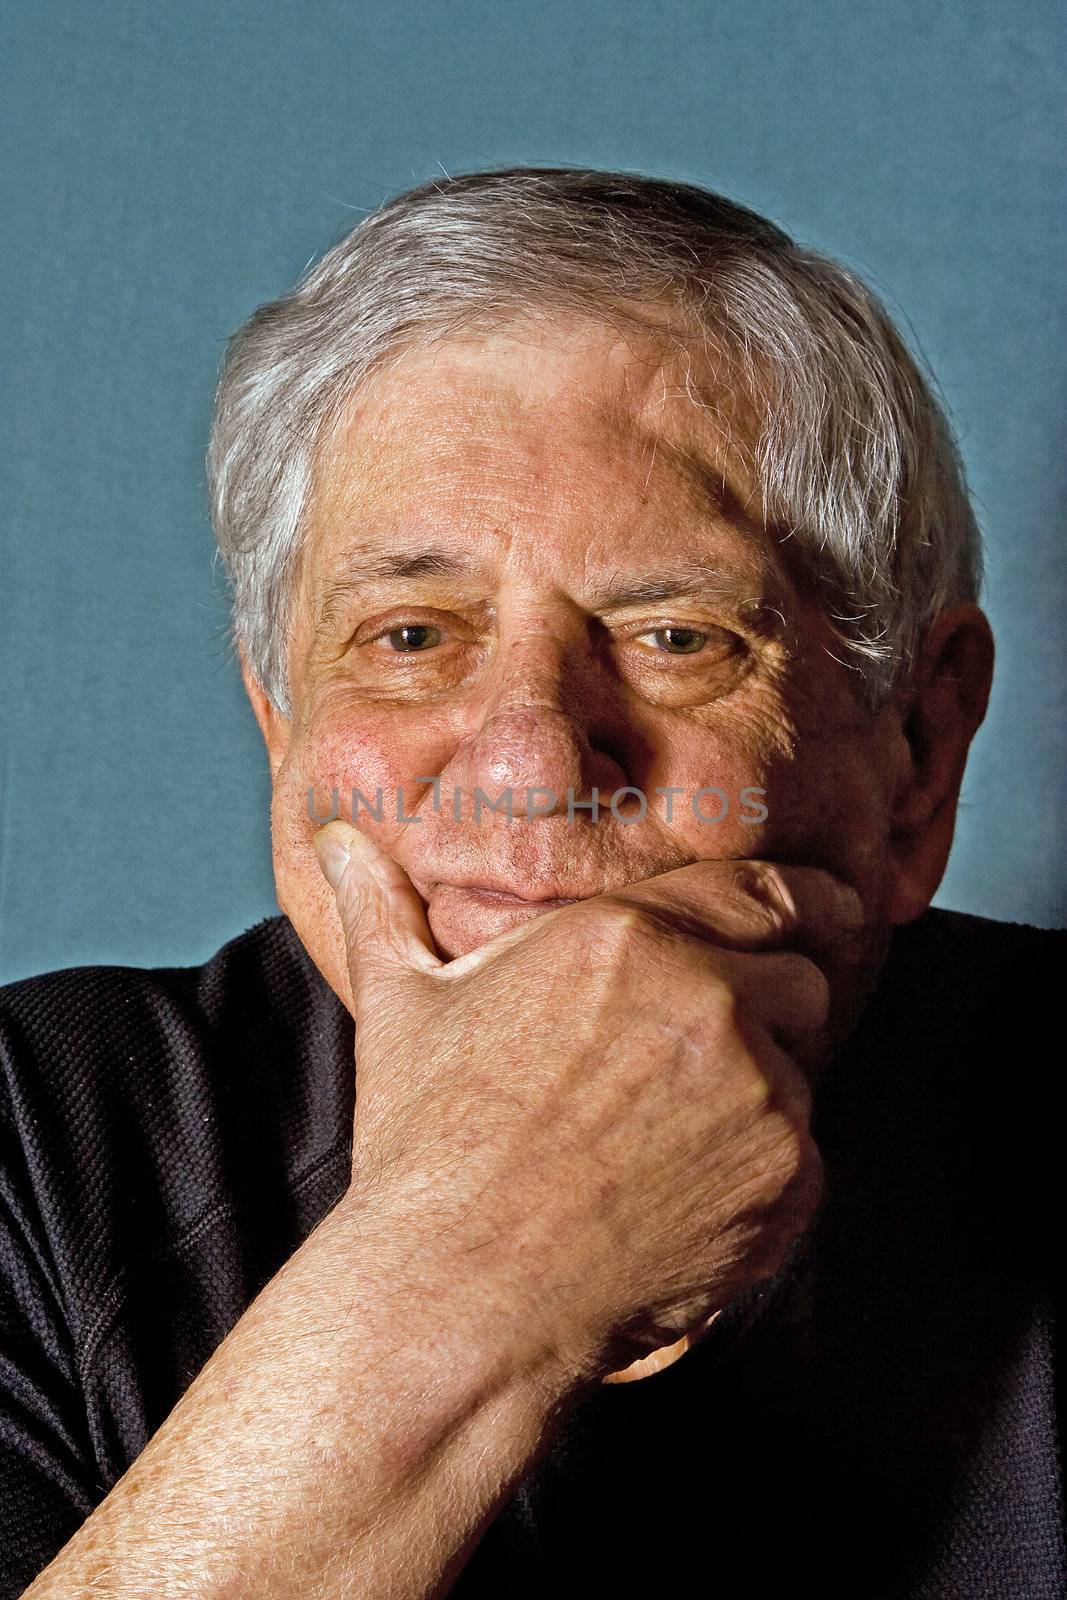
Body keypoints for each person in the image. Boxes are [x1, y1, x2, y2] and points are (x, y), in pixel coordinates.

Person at [1, 166, 1061, 1599]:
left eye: (677, 636)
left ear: (920, 753)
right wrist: (479, 1253)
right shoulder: (31, 1150)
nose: (528, 762)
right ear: (282, 726)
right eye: (410, 637)